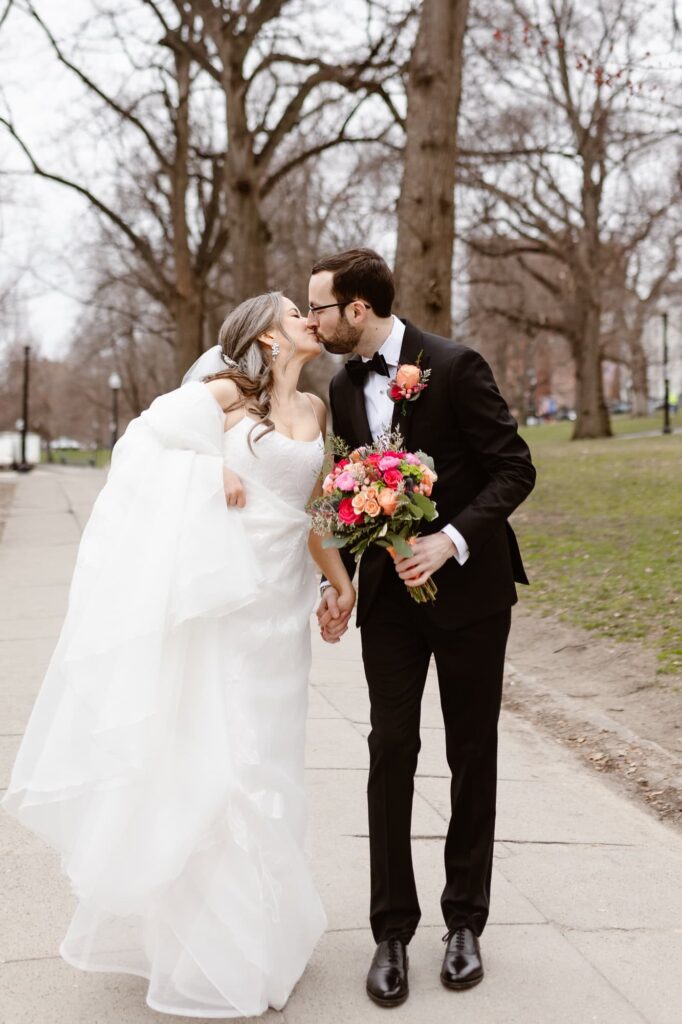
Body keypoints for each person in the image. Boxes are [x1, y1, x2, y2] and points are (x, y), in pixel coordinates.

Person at [2, 293, 355, 1019]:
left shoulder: (317, 413)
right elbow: (140, 447)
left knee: (271, 763)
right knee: (219, 764)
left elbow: (314, 515)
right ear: (263, 331)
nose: (310, 320)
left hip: (280, 609)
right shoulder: (224, 392)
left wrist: (340, 583)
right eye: (296, 312)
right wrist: (207, 472)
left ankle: (261, 940)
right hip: (220, 605)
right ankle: (211, 955)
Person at [310, 249, 536, 1007]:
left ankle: (465, 922)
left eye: (320, 308)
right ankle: (390, 932)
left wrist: (452, 539)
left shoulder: (456, 364)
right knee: (390, 752)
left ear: (359, 309)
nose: (312, 321)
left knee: (472, 752)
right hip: (389, 608)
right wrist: (334, 584)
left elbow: (515, 468)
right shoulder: (342, 387)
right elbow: (346, 500)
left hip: (472, 597)